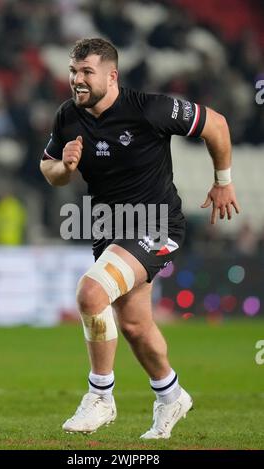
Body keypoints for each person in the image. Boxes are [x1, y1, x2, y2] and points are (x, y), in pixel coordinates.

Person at [40, 38, 240, 439]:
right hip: (109, 229)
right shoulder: (68, 116)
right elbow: (49, 169)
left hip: (158, 224)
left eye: (86, 72)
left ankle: (100, 396)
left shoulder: (150, 108)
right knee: (133, 324)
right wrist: (66, 165)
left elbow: (215, 124)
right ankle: (172, 395)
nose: (77, 80)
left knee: (90, 294)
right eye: (73, 71)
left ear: (111, 76)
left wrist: (223, 181)